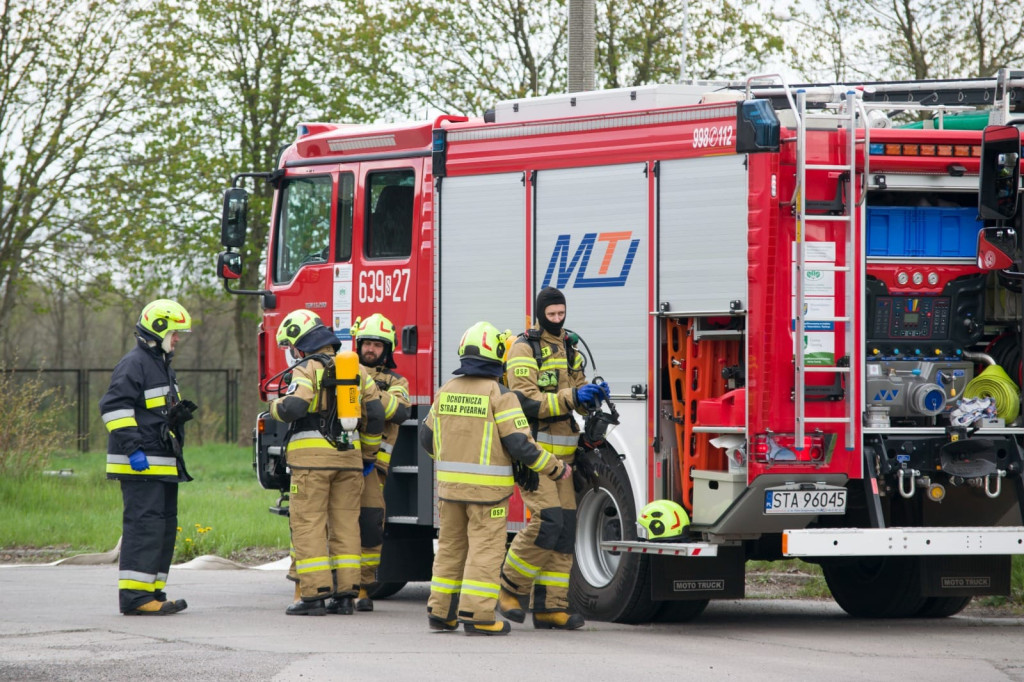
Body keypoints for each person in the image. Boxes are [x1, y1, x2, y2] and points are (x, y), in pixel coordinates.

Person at [420, 321, 571, 636]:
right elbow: (520, 445)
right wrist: (556, 468)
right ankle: (478, 616)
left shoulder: (445, 390)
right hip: (487, 495)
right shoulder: (499, 394)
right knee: (485, 550)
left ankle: (441, 612)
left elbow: (426, 437)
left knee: (450, 548)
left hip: (449, 491)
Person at [498, 287, 608, 630]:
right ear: (540, 312)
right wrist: (571, 396)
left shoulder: (570, 348)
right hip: (534, 455)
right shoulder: (523, 347)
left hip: (565, 457)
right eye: (552, 315)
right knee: (548, 521)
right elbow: (525, 401)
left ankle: (550, 607)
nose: (558, 321)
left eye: (562, 314)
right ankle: (509, 587)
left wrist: (590, 397)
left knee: (565, 530)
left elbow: (577, 389)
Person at [269, 309, 385, 616]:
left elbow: (294, 405)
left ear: (299, 343)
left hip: (311, 464)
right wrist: (368, 455)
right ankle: (346, 596)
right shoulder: (358, 370)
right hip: (350, 462)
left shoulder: (306, 368)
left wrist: (274, 407)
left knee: (309, 525)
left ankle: (314, 596)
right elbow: (375, 417)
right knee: (347, 526)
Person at [100, 298, 197, 616]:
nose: (178, 339)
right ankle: (136, 598)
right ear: (159, 330)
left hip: (162, 463)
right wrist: (134, 450)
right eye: (175, 332)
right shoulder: (135, 363)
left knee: (163, 528)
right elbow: (114, 408)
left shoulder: (160, 364)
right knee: (144, 527)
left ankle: (152, 591)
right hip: (142, 463)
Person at [351, 313, 411, 611]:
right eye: (367, 344)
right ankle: (336, 586)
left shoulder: (396, 381)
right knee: (335, 524)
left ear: (387, 350)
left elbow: (399, 411)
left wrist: (366, 391)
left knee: (371, 524)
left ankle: (363, 587)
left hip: (374, 469)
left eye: (377, 344)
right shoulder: (343, 372)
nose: (371, 349)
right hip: (341, 462)